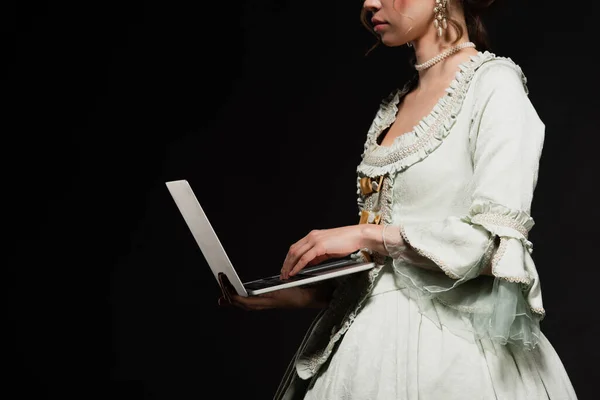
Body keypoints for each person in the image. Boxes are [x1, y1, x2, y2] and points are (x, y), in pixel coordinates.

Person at [218, 0, 579, 398]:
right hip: (365, 353)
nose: (369, 3)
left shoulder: (495, 85)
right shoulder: (396, 103)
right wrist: (300, 293)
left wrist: (365, 236)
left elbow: (492, 243)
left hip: (455, 360)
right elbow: (386, 271)